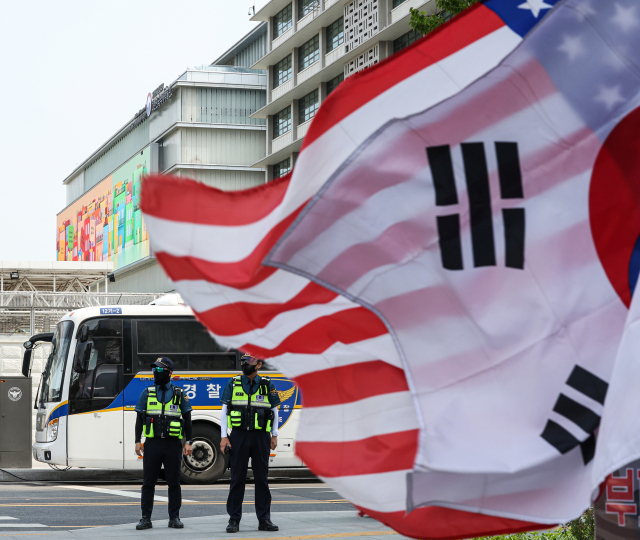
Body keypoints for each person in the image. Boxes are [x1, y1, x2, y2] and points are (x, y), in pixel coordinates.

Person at [220, 354, 281, 533]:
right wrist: (224, 436)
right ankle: (234, 520)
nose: (245, 365)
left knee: (262, 479)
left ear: (259, 365)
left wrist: (274, 435)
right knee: (237, 478)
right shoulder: (233, 383)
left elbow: (274, 410)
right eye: (243, 362)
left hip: (261, 437)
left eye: (249, 362)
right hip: (238, 436)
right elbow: (224, 410)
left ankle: (264, 520)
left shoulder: (267, 384)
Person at [134, 357, 193, 530]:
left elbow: (188, 420)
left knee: (174, 482)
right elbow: (139, 419)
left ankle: (174, 517)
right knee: (148, 482)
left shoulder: (179, 393)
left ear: (169, 373)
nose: (155, 373)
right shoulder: (147, 392)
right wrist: (138, 441)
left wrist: (188, 442)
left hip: (173, 445)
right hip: (152, 444)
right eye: (154, 370)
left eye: (160, 370)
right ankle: (145, 518)